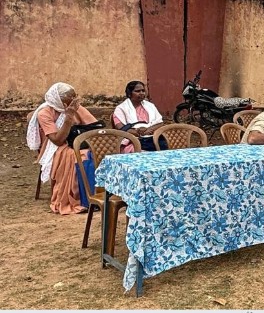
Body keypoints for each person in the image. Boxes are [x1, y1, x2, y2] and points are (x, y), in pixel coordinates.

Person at [26, 82, 97, 215]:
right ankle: (81, 198)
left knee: (97, 152)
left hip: (78, 141)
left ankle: (98, 195)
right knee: (81, 155)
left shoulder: (76, 107)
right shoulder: (44, 113)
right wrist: (68, 118)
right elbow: (57, 140)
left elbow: (95, 126)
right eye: (71, 97)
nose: (75, 100)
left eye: (75, 96)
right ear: (59, 99)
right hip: (54, 147)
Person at [113, 80, 165, 152]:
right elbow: (121, 128)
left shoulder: (150, 106)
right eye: (137, 91)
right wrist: (139, 132)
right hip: (132, 141)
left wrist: (149, 130)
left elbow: (160, 123)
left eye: (143, 91)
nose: (141, 93)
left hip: (152, 138)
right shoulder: (121, 109)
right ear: (129, 93)